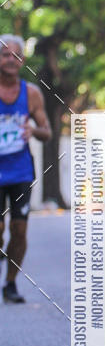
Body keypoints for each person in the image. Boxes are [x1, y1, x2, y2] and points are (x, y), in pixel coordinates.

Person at [0, 35, 51, 303]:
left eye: (16, 55)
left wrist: (33, 130)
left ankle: (10, 284)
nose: (11, 60)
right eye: (5, 55)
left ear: (22, 60)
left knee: (19, 230)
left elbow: (47, 132)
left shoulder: (31, 93)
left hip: (20, 171)